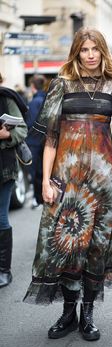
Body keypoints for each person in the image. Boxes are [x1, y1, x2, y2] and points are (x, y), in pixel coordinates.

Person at [23, 27, 112, 341]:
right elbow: (51, 139)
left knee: (96, 248)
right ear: (77, 53)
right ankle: (68, 314)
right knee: (67, 247)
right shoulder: (62, 85)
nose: (91, 55)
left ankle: (89, 316)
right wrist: (45, 181)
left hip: (104, 181)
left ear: (103, 51)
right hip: (66, 181)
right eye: (85, 50)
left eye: (95, 49)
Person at [0, 73, 28, 288]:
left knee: (1, 218)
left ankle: (4, 270)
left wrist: (7, 135)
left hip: (4, 169)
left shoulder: (6, 98)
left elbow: (22, 129)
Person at [25, 74, 46, 208]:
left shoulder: (34, 102)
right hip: (45, 140)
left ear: (32, 86)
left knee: (35, 172)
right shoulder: (46, 98)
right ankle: (42, 199)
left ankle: (37, 200)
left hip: (34, 141)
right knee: (43, 171)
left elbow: (31, 122)